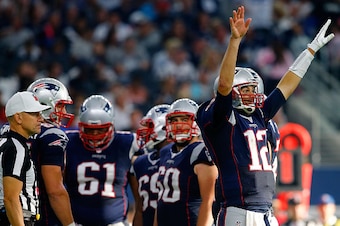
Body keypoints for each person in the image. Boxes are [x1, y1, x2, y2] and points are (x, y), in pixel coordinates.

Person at [195, 5, 335, 226]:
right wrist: (235, 42)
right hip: (238, 211)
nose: (252, 95)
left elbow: (285, 87)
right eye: (246, 90)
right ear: (232, 94)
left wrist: (310, 51)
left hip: (266, 211)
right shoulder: (222, 118)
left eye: (254, 90)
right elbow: (224, 84)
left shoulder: (261, 117)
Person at [64, 95, 139, 226]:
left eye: (100, 129)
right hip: (77, 222)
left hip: (115, 223)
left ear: (111, 125)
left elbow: (140, 196)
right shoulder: (67, 142)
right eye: (89, 130)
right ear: (81, 126)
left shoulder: (127, 143)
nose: (95, 135)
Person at [155, 98, 218, 226]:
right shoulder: (165, 151)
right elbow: (161, 197)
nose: (179, 124)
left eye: (184, 119)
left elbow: (209, 201)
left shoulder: (200, 151)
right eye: (175, 120)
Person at [26, 78, 75, 226]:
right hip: (42, 215)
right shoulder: (52, 134)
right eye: (60, 106)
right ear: (45, 105)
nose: (64, 112)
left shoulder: (9, 129)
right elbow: (55, 191)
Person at [0, 91, 50, 225]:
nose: (41, 118)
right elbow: (10, 198)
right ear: (18, 117)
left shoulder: (5, 142)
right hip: (15, 218)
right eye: (35, 114)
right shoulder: (16, 148)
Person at [132, 104, 171, 226]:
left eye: (150, 126)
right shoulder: (141, 162)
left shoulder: (183, 158)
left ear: (164, 128)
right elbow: (140, 208)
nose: (147, 131)